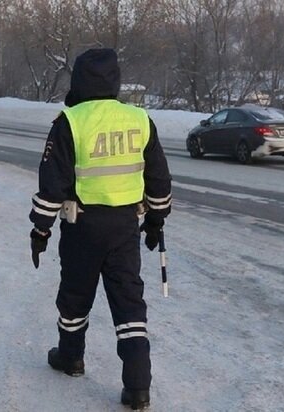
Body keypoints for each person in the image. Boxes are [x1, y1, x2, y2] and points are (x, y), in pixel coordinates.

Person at [29, 48, 171, 410]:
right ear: (116, 80)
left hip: (82, 227)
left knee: (75, 296)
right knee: (129, 302)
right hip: (126, 227)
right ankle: (138, 388)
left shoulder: (71, 121)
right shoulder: (139, 119)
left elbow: (52, 185)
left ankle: (71, 357)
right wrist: (155, 221)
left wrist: (40, 229)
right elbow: (158, 178)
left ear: (78, 79)